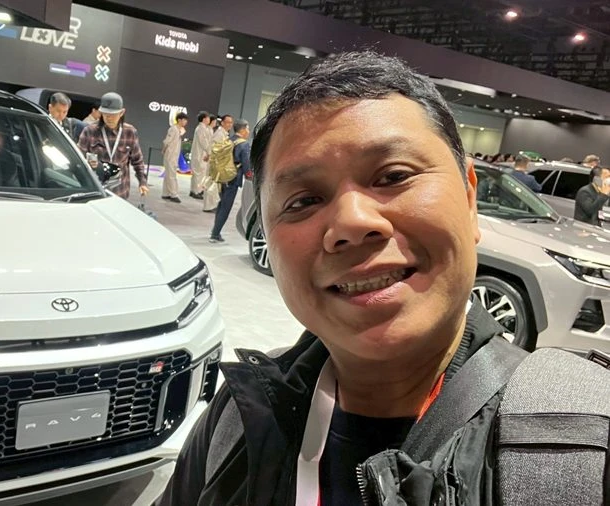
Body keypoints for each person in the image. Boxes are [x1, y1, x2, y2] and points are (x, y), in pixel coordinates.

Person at [158, 51, 609, 506]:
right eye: (303, 201)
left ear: (469, 198)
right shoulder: (236, 421)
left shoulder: (586, 442)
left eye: (394, 176)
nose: (352, 222)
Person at [77, 92, 148, 200]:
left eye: (113, 114)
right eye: (105, 114)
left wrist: (142, 182)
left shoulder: (130, 132)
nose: (109, 118)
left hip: (120, 191)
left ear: (121, 113)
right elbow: (78, 158)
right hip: (95, 189)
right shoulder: (89, 131)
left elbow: (137, 160)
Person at [209, 119, 250, 243]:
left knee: (221, 204)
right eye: (247, 128)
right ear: (243, 130)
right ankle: (215, 234)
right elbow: (246, 164)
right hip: (233, 178)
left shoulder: (229, 140)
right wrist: (250, 176)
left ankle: (215, 231)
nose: (248, 131)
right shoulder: (244, 144)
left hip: (223, 176)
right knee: (226, 207)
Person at [203, 114, 234, 212]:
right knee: (211, 184)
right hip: (215, 163)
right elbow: (213, 147)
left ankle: (211, 205)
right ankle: (208, 206)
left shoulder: (224, 133)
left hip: (218, 163)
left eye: (231, 122)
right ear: (222, 123)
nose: (230, 124)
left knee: (215, 185)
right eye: (228, 122)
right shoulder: (219, 133)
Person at [161, 112, 188, 203]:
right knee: (171, 175)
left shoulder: (179, 130)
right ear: (179, 120)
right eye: (184, 120)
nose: (185, 122)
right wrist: (163, 150)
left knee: (169, 174)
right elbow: (167, 141)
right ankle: (174, 194)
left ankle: (166, 193)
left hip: (174, 155)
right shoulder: (173, 129)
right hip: (170, 155)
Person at [189, 111, 213, 200]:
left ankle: (194, 190)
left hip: (200, 154)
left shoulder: (202, 128)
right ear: (204, 119)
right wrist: (209, 152)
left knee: (197, 174)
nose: (209, 120)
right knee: (199, 174)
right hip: (200, 155)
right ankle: (196, 191)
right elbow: (204, 142)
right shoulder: (201, 129)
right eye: (208, 118)